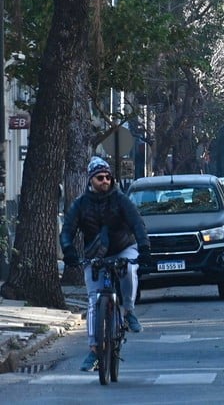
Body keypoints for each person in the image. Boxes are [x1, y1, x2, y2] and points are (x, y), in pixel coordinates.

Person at [60, 156, 151, 372]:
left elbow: (138, 224)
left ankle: (128, 312)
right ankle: (93, 349)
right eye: (100, 178)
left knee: (129, 270)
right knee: (93, 301)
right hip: (95, 255)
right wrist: (69, 250)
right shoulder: (80, 204)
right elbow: (67, 230)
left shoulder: (121, 200)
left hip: (123, 248)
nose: (105, 181)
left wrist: (144, 248)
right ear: (91, 180)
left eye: (108, 177)